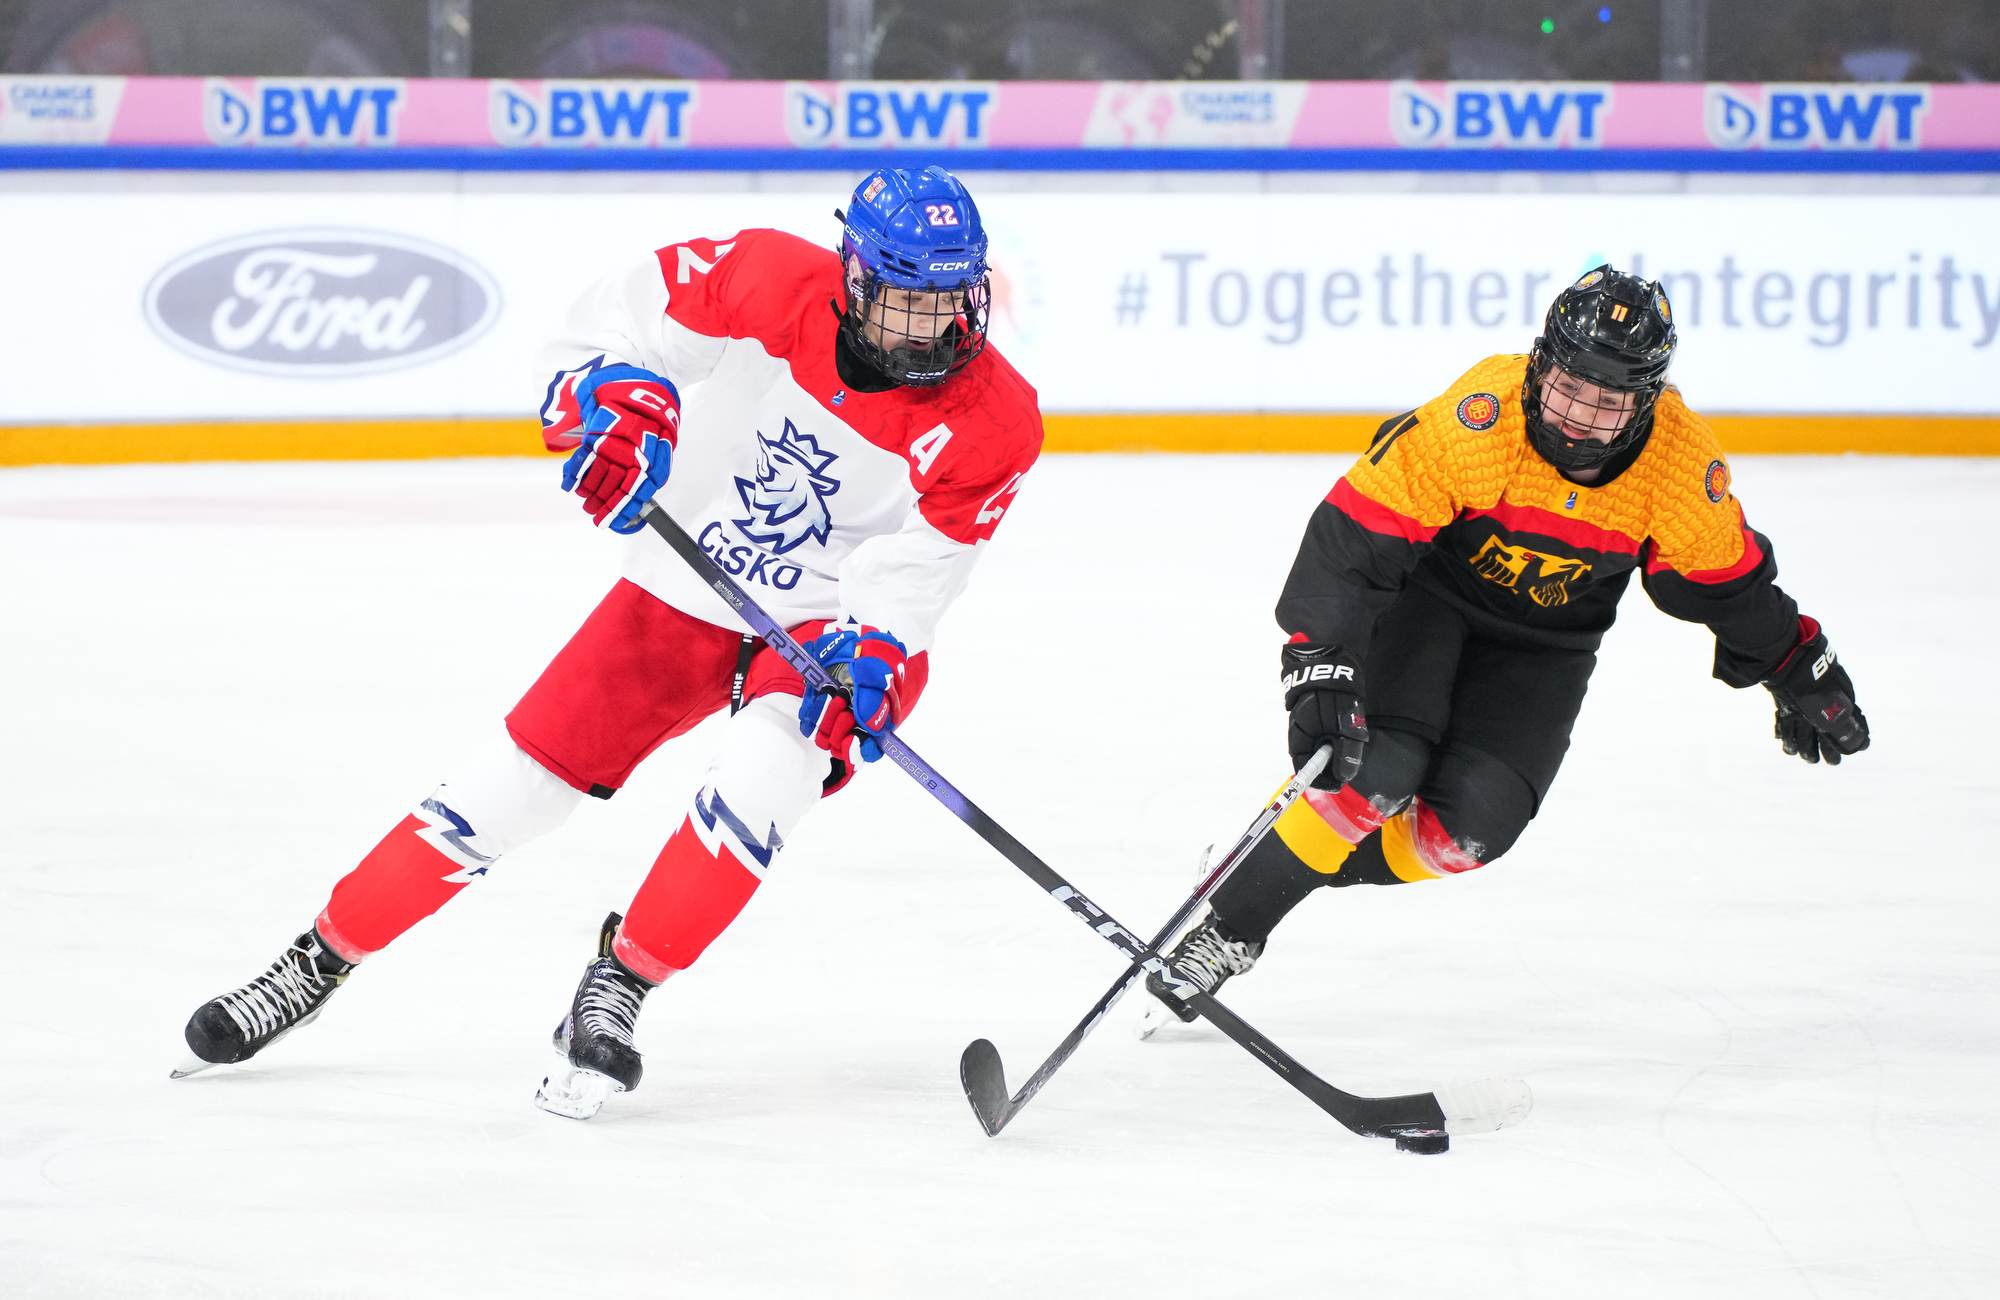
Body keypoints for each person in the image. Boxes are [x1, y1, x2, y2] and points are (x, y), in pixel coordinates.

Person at [176, 165, 1044, 1119]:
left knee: (760, 787)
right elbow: (610, 330)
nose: (932, 326)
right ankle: (316, 961)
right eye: (909, 301)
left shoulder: (998, 419)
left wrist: (880, 644)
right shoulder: (765, 278)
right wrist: (614, 396)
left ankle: (618, 989)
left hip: (827, 627)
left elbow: (923, 569)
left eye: (951, 299)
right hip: (686, 582)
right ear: (856, 277)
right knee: (504, 790)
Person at [1140, 265, 1869, 1031]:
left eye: (1608, 400)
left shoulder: (1682, 468)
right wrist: (1319, 659)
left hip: (1546, 646)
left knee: (1470, 833)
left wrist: (1798, 665)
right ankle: (1234, 926)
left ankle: (1270, 863)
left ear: (1648, 401)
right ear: (1540, 364)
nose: (1578, 418)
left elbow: (1729, 587)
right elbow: (1356, 540)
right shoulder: (1477, 421)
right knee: (1375, 770)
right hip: (1432, 601)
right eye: (1568, 387)